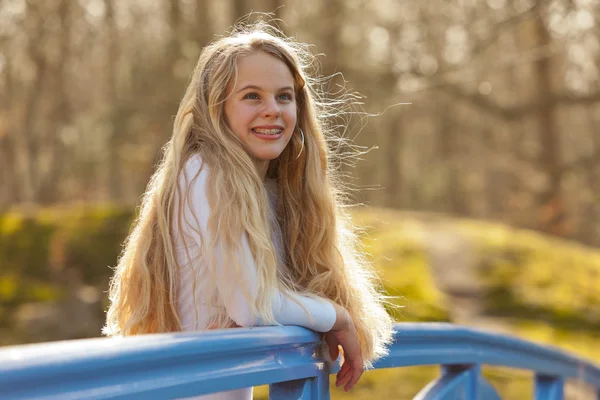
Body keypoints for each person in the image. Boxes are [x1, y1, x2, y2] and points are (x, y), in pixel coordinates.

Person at [103, 21, 393, 400]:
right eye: (252, 96)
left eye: (284, 97)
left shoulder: (269, 192)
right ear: (215, 108)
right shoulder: (204, 172)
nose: (272, 110)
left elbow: (262, 302)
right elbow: (251, 304)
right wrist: (336, 316)